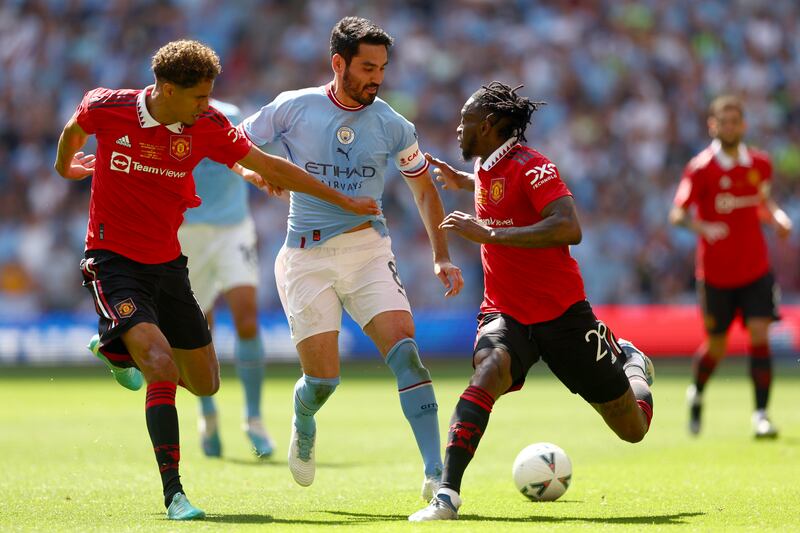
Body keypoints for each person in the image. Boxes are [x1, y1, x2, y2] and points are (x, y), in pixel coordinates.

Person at [53, 39, 379, 521]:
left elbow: (267, 166)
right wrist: (65, 168)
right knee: (161, 366)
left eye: (210, 96)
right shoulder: (109, 106)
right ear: (164, 88)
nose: (208, 106)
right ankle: (174, 494)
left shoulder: (205, 127)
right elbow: (73, 131)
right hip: (111, 260)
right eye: (199, 97)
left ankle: (116, 347)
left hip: (168, 264)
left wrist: (343, 201)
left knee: (205, 385)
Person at [408, 82, 655, 521]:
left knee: (632, 430)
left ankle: (632, 362)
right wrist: (463, 181)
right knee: (486, 374)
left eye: (465, 122)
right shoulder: (487, 164)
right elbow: (498, 192)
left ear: (488, 125)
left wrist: (490, 235)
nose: (458, 129)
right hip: (505, 311)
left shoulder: (535, 167)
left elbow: (568, 227)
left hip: (563, 315)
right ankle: (446, 496)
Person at [239, 17, 464, 498]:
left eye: (382, 67)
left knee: (407, 352)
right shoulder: (293, 108)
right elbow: (233, 144)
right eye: (367, 67)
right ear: (338, 63)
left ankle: (436, 475)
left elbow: (424, 190)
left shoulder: (393, 124)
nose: (377, 77)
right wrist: (253, 173)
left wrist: (441, 255)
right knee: (323, 381)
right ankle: (303, 417)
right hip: (306, 257)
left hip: (367, 249)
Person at [669, 95, 791, 439]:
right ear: (713, 125)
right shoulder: (700, 168)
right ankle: (697, 391)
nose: (729, 127)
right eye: (723, 121)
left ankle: (761, 415)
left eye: (735, 121)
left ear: (744, 125)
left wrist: (778, 219)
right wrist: (702, 227)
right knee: (718, 346)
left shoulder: (760, 164)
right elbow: (677, 213)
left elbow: (762, 204)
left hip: (755, 269)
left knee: (759, 336)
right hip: (717, 274)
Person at [178, 99, 273, 459]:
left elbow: (240, 155)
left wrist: (253, 173)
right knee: (199, 328)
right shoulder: (171, 119)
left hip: (233, 228)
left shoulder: (228, 115)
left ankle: (253, 420)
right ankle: (208, 413)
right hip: (188, 231)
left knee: (246, 318)